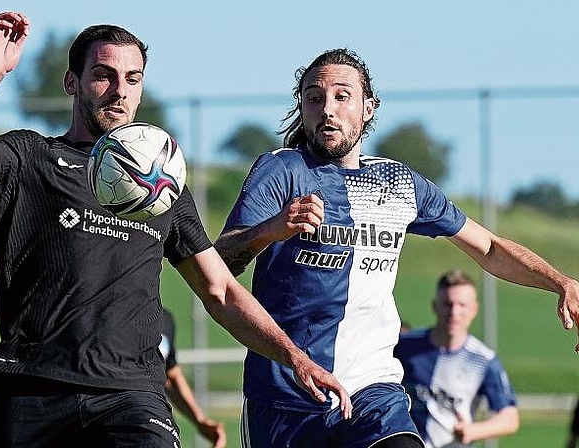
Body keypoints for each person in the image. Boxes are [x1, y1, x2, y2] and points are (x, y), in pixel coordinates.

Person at [0, 12, 352, 447]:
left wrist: (296, 359)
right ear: (71, 82)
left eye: (132, 79)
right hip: (31, 392)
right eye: (103, 75)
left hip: (131, 396)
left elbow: (222, 291)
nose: (119, 90)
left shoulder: (164, 185)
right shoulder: (31, 157)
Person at [214, 47, 579, 448]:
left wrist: (560, 281)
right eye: (314, 98)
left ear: (368, 108)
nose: (327, 109)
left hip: (374, 392)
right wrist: (270, 229)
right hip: (286, 399)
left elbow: (489, 248)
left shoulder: (398, 183)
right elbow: (220, 266)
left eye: (341, 96)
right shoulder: (281, 170)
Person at [394, 270, 519, 447]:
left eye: (462, 305)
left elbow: (509, 418)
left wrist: (474, 430)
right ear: (434, 306)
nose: (454, 312)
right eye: (447, 304)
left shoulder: (483, 360)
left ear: (474, 309)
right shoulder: (405, 346)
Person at [159, 307, 227, 448]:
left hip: (151, 418)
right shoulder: (108, 310)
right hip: (112, 416)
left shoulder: (164, 319)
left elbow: (170, 376)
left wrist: (200, 421)